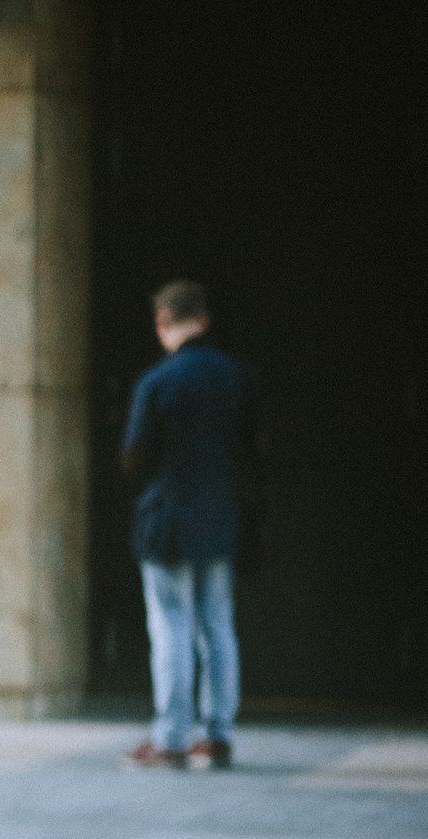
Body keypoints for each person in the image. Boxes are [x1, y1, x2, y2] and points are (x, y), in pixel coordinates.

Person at [120, 279, 263, 771]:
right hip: (222, 518)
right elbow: (255, 449)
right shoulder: (240, 378)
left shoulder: (157, 382)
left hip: (168, 522)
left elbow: (136, 456)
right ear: (203, 320)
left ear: (163, 324)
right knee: (218, 624)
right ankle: (219, 734)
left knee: (171, 626)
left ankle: (172, 738)